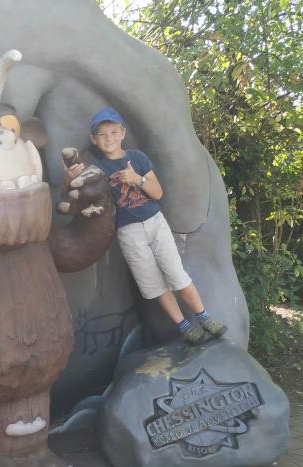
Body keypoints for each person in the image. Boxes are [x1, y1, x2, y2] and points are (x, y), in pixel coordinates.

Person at [65, 107, 226, 345]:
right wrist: (71, 176)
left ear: (122, 133)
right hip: (128, 232)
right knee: (153, 284)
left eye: (113, 132)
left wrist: (136, 179)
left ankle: (204, 318)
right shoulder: (96, 169)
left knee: (176, 274)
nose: (108, 138)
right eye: (102, 134)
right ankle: (184, 327)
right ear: (93, 139)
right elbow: (75, 190)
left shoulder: (137, 158)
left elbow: (158, 192)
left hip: (154, 223)